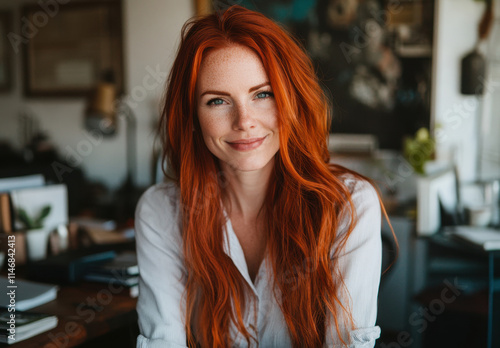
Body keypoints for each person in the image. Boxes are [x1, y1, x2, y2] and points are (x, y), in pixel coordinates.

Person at [135, 5, 387, 348]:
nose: (244, 121)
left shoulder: (350, 205)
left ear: (291, 100)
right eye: (218, 101)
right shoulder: (160, 212)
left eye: (262, 94)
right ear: (192, 116)